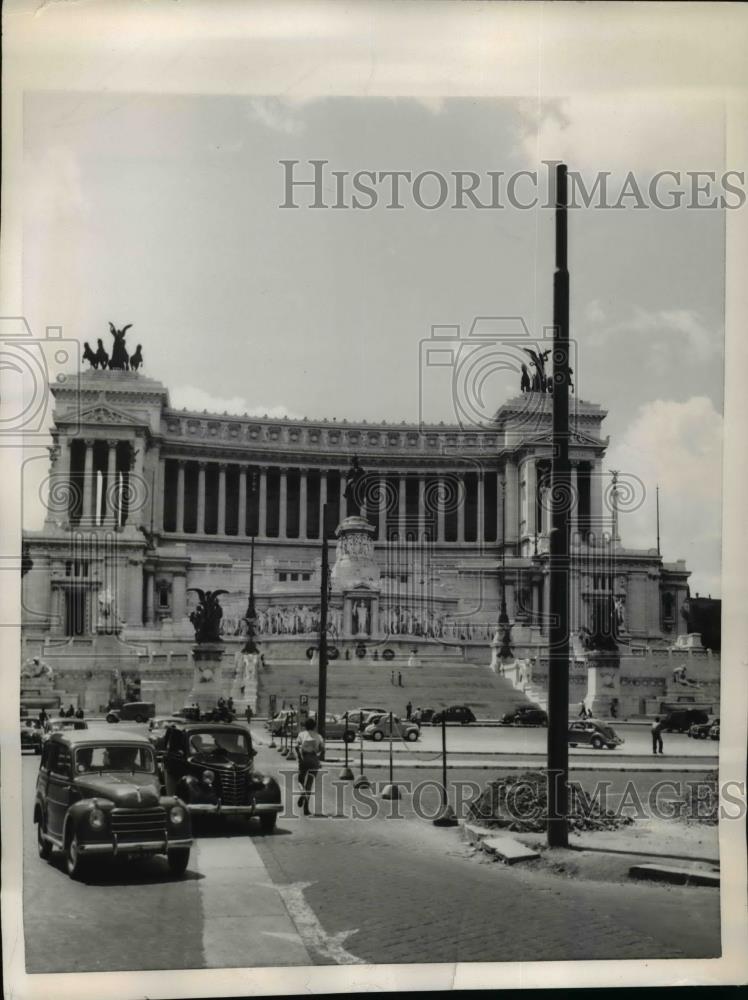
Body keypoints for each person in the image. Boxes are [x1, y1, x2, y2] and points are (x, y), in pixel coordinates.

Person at [295, 716, 325, 817]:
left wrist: (300, 757)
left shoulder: (301, 734)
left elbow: (296, 746)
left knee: (300, 780)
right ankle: (306, 809)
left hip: (304, 758)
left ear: (305, 726)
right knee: (309, 784)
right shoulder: (318, 736)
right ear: (314, 726)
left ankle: (302, 792)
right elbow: (322, 749)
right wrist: (318, 758)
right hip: (314, 760)